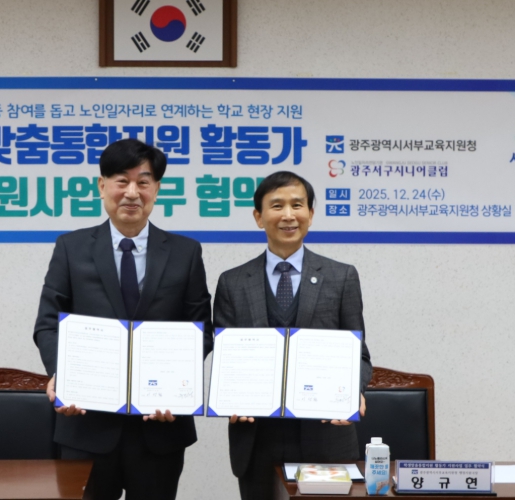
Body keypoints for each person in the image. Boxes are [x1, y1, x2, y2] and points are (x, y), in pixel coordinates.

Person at [33, 138, 213, 500]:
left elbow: (201, 330)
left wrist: (176, 387)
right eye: (121, 181)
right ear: (102, 186)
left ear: (156, 189)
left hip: (160, 426)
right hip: (86, 421)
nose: (132, 193)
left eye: (143, 182)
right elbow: (48, 323)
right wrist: (63, 375)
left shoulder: (185, 252)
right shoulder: (71, 247)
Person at [213, 171, 372, 500]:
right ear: (259, 217)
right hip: (256, 437)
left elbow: (359, 355)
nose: (288, 215)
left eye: (297, 205)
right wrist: (229, 396)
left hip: (325, 436)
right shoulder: (232, 282)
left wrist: (352, 390)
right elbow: (225, 357)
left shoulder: (341, 277)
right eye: (276, 206)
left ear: (310, 214)